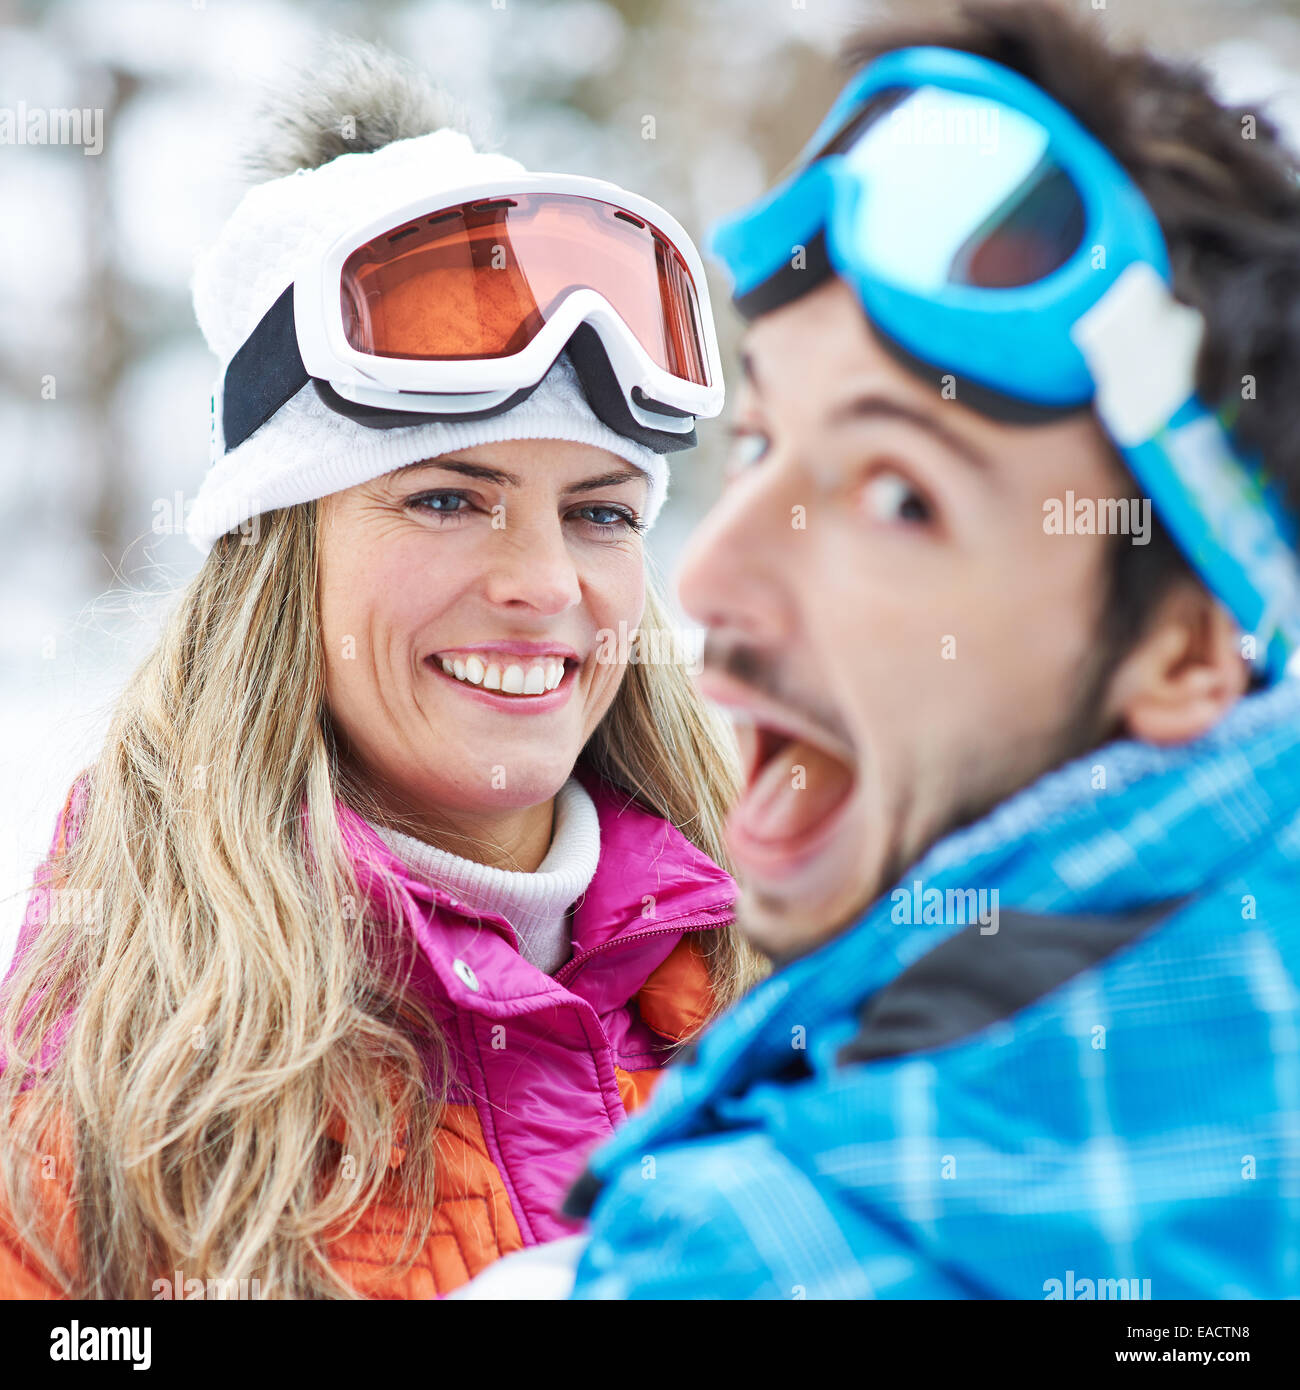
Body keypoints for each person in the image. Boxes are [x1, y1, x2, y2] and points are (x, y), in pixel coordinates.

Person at [539, 1, 1300, 1298]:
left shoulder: (738, 1260)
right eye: (758, 444)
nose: (708, 576)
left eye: (899, 496)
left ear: (1183, 649)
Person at [0, 39, 762, 1300]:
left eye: (600, 513)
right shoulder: (99, 1094)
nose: (544, 584)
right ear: (280, 561)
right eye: (448, 499)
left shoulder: (782, 996)